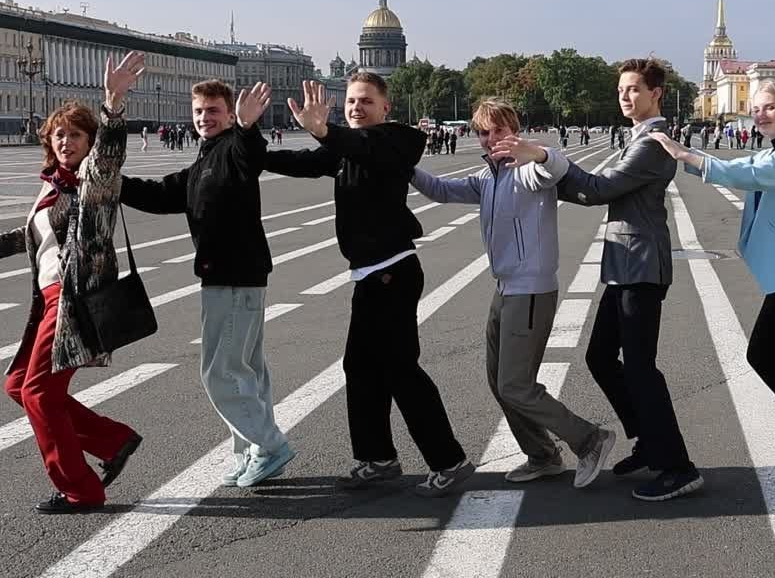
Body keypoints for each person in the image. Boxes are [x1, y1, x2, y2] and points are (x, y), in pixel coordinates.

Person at [264, 74, 473, 496]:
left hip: (393, 271)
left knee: (400, 368)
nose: (356, 107)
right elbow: (302, 163)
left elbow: (362, 146)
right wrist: (247, 141)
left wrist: (324, 130)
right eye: (351, 102)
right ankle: (377, 458)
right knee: (359, 368)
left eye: (366, 101)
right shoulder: (345, 149)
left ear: (385, 108)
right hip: (369, 275)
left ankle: (449, 460)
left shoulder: (396, 141)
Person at [654, 81, 775, 489]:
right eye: (757, 109)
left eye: (770, 108)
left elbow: (753, 175)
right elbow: (753, 166)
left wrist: (688, 155)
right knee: (763, 355)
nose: (761, 114)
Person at [413, 100, 616, 488]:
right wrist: (399, 163)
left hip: (531, 291)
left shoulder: (528, 173)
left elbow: (556, 167)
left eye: (499, 131)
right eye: (484, 133)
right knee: (499, 381)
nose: (491, 139)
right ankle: (542, 455)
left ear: (514, 130)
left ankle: (590, 439)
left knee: (515, 385)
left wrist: (535, 152)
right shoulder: (487, 178)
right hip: (505, 289)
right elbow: (439, 190)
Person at [120, 80, 295, 489]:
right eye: (199, 111)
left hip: (234, 276)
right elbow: (164, 194)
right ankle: (248, 451)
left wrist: (250, 129)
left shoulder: (233, 150)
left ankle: (268, 445)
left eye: (213, 110)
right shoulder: (206, 157)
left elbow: (250, 155)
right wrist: (117, 183)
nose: (204, 118)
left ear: (230, 114)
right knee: (246, 370)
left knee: (221, 373)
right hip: (230, 275)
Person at [1, 51, 147, 514]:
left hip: (71, 300)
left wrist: (113, 101)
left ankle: (80, 489)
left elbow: (109, 158)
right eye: (59, 134)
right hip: (45, 302)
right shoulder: (52, 185)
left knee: (40, 393)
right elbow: (33, 238)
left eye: (76, 135)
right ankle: (112, 439)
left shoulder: (93, 183)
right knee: (18, 385)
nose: (66, 141)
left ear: (90, 141)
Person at [556, 57, 701, 501]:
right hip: (626, 266)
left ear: (656, 93)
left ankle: (678, 465)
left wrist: (548, 160)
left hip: (641, 265)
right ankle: (650, 442)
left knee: (640, 368)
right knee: (601, 357)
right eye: (622, 89)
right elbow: (599, 187)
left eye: (634, 88)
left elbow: (600, 189)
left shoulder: (652, 144)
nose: (624, 96)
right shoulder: (638, 139)